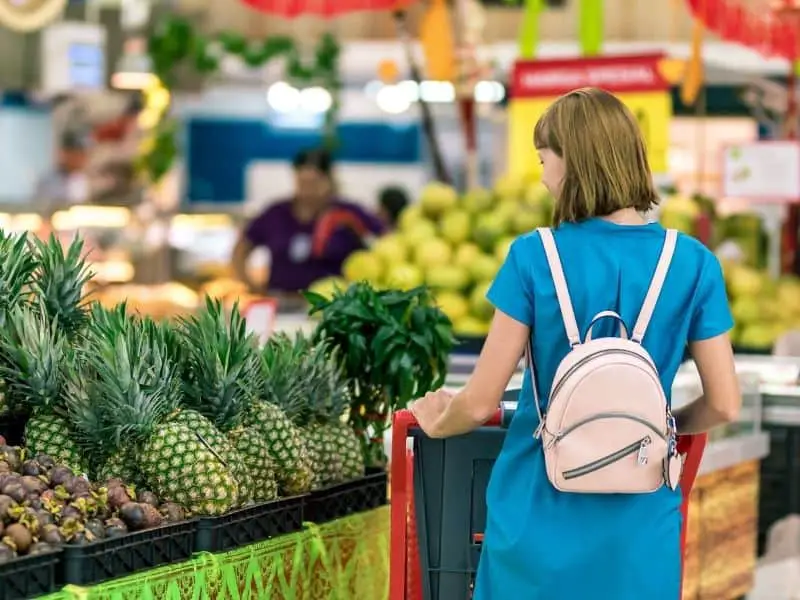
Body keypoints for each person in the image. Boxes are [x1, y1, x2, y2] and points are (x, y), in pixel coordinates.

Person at [410, 88, 741, 600]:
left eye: (545, 159)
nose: (543, 176)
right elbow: (724, 403)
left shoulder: (533, 257)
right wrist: (660, 430)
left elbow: (477, 402)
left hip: (536, 517)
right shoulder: (694, 262)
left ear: (575, 164)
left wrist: (438, 419)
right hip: (641, 521)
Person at [232, 148, 385, 293]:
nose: (307, 190)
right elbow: (241, 248)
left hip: (334, 306)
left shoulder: (349, 213)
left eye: (314, 183)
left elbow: (384, 241)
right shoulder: (276, 213)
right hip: (281, 302)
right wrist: (251, 285)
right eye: (302, 183)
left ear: (329, 180)